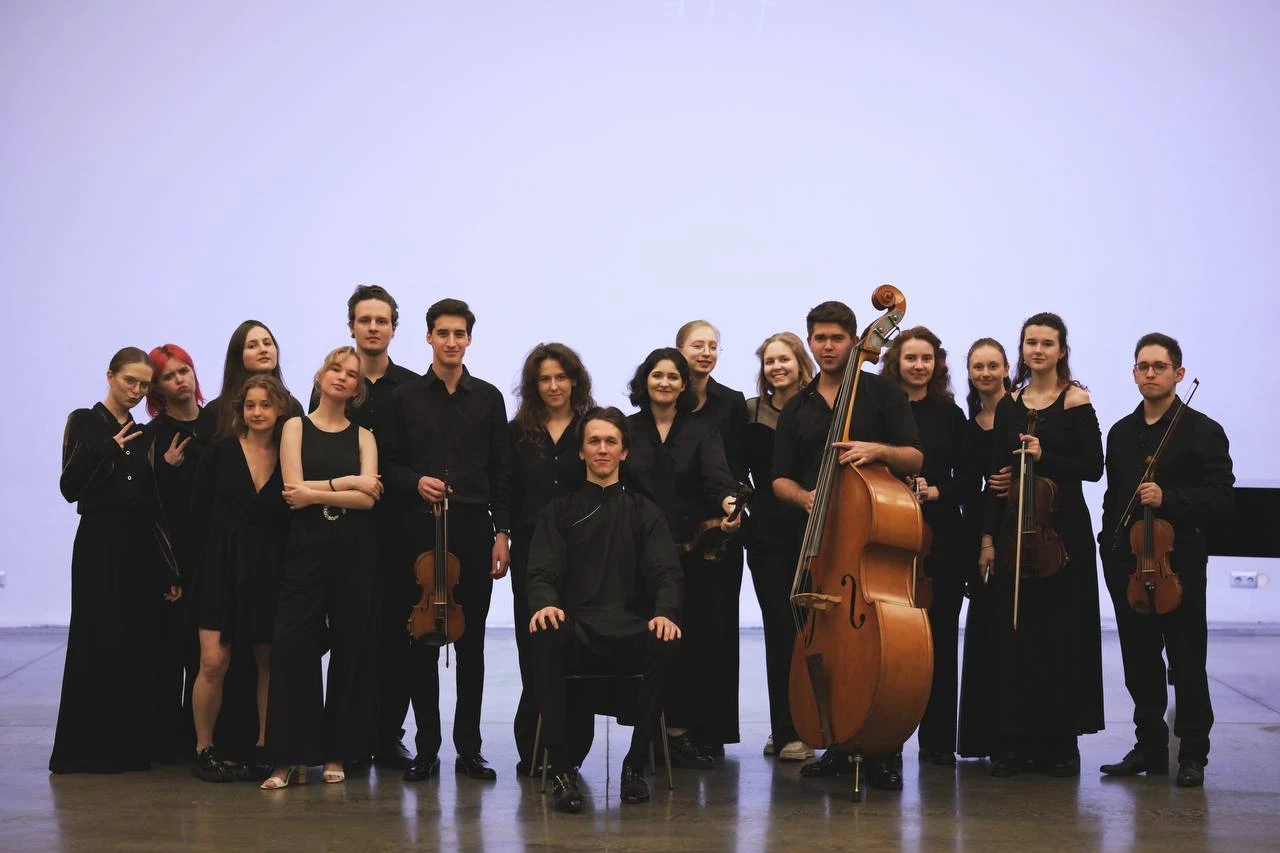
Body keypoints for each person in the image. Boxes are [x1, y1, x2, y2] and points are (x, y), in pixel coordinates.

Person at [772, 300, 923, 791]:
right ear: (810, 342)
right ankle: (836, 743)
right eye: (820, 338)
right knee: (827, 642)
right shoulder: (797, 406)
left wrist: (878, 450)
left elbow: (914, 456)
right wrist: (804, 496)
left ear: (856, 340)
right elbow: (778, 478)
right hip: (819, 545)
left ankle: (883, 750)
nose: (828, 346)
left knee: (879, 650)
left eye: (837, 338)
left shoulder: (882, 393)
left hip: (866, 541)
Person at [526, 407, 684, 813]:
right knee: (545, 632)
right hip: (577, 629)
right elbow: (541, 570)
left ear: (624, 452)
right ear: (581, 451)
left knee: (666, 639)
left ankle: (635, 764)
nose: (602, 449)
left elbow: (666, 573)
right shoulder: (558, 511)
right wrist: (545, 604)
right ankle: (562, 770)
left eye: (611, 441)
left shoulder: (644, 511)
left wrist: (665, 612)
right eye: (593, 441)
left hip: (630, 629)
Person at [382, 298, 513, 782]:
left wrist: (502, 534)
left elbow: (503, 471)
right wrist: (416, 481)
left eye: (459, 334)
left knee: (471, 643)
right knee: (422, 641)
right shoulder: (405, 398)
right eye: (443, 333)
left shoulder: (489, 398)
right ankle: (426, 749)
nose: (451, 341)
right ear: (429, 337)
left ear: (469, 339)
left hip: (473, 527)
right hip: (419, 529)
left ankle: (469, 750)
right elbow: (388, 463)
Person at [1098, 333, 1234, 788]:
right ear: (1134, 373)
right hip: (1128, 564)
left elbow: (1222, 498)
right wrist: (1108, 546)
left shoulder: (1203, 431)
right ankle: (1149, 747)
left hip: (1180, 566)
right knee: (1139, 663)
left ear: (1178, 373)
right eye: (1143, 366)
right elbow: (1114, 499)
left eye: (1159, 366)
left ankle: (1192, 754)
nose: (1150, 374)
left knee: (1187, 661)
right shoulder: (1121, 433)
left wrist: (1168, 498)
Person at [978, 312, 1104, 778]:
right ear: (1023, 349)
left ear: (1061, 350)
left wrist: (1044, 455)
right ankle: (1014, 742)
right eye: (1031, 342)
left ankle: (1060, 744)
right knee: (1017, 638)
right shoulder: (1010, 405)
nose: (1038, 350)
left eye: (1047, 343)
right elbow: (997, 478)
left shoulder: (1076, 400)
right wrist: (988, 537)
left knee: (1061, 638)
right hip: (1015, 534)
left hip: (1063, 535)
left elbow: (1093, 466)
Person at [50, 347, 183, 774]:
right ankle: (89, 750)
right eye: (130, 381)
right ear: (110, 376)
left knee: (136, 644)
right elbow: (70, 487)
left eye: (144, 385)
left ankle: (130, 749)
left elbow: (151, 504)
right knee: (97, 639)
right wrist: (107, 450)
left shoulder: (144, 434)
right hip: (99, 543)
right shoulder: (84, 421)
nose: (136, 390)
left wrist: (168, 567)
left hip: (139, 545)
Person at [308, 285, 421, 771]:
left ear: (394, 328)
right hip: (339, 529)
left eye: (381, 320)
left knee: (397, 636)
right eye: (364, 319)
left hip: (397, 528)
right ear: (351, 326)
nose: (373, 327)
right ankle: (346, 737)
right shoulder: (333, 383)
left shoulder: (412, 387)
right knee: (348, 637)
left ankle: (390, 734)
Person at [261, 347, 382, 789]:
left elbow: (369, 499)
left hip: (355, 548)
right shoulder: (295, 426)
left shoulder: (364, 436)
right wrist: (347, 482)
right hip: (306, 547)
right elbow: (292, 490)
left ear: (357, 389)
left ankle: (337, 752)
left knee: (351, 648)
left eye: (351, 374)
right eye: (336, 369)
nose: (342, 377)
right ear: (320, 375)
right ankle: (287, 758)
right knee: (293, 647)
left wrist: (318, 493)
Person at [622, 347, 740, 770]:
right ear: (645, 380)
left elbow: (718, 478)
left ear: (684, 384)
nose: (665, 383)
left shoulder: (702, 429)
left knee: (689, 644)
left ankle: (678, 732)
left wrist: (729, 504)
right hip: (638, 550)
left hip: (690, 551)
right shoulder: (627, 428)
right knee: (647, 642)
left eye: (673, 376)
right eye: (657, 375)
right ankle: (647, 731)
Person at [880, 326, 975, 766]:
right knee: (889, 646)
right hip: (886, 534)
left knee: (939, 641)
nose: (919, 366)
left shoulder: (950, 414)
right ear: (896, 362)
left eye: (926, 359)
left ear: (936, 364)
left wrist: (936, 491)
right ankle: (885, 740)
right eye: (910, 358)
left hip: (940, 539)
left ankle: (937, 742)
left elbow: (969, 481)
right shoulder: (879, 410)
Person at [508, 343, 594, 775]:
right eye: (544, 379)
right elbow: (506, 490)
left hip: (583, 550)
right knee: (534, 647)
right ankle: (534, 747)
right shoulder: (517, 432)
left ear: (574, 381)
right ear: (533, 385)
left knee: (576, 647)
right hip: (529, 550)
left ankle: (571, 750)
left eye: (561, 377)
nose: (554, 385)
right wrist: (500, 535)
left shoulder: (590, 428)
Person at [675, 320, 748, 757]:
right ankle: (673, 728)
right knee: (677, 627)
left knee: (718, 629)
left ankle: (713, 730)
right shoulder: (666, 394)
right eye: (697, 345)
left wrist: (731, 508)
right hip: (676, 527)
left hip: (722, 527)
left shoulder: (732, 402)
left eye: (713, 346)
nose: (706, 352)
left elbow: (734, 463)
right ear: (679, 350)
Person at [743, 331, 816, 762]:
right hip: (767, 531)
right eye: (770, 361)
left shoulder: (819, 409)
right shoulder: (750, 412)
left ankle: (817, 725)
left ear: (800, 362)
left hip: (814, 525)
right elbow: (735, 467)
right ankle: (785, 731)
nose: (776, 367)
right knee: (779, 628)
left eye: (784, 359)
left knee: (814, 630)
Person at [144, 343, 217, 763]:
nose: (179, 380)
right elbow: (152, 508)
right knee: (173, 651)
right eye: (169, 376)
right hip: (177, 558)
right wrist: (168, 470)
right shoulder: (154, 436)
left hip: (215, 552)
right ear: (158, 388)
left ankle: (202, 735)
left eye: (183, 371)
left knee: (209, 655)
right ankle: (168, 741)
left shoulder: (215, 423)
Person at [956, 338, 1012, 761]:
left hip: (1020, 527)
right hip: (979, 530)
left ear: (1007, 368)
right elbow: (966, 485)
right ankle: (984, 738)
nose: (986, 373)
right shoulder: (969, 426)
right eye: (978, 366)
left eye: (993, 365)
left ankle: (1019, 737)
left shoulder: (1025, 414)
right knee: (985, 632)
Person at [209, 320, 300, 438]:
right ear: (238, 355)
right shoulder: (215, 411)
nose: (263, 350)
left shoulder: (292, 407)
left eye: (267, 343)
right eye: (252, 346)